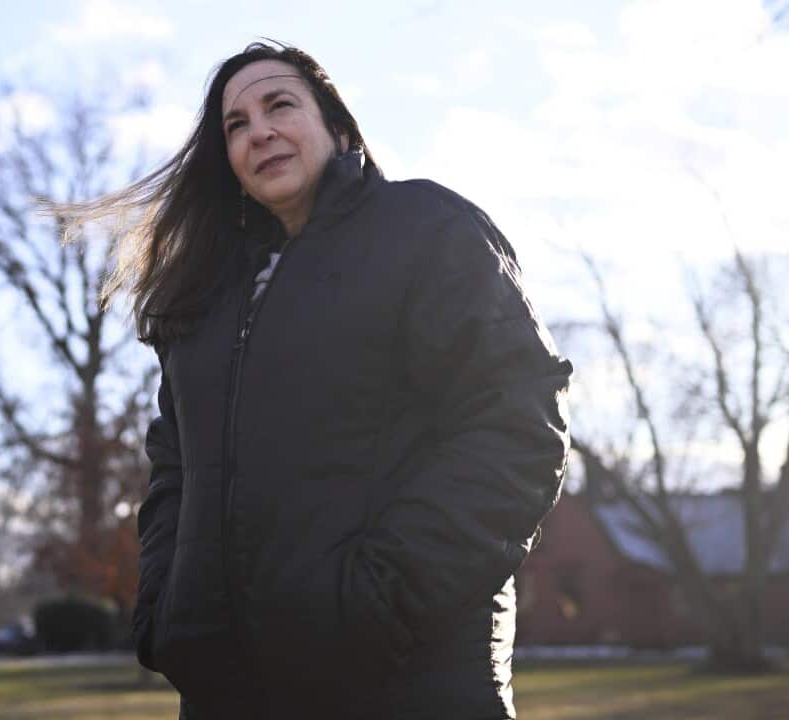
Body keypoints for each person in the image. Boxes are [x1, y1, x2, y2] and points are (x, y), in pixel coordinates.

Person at [63, 41, 573, 718]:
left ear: (336, 125)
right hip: (227, 690)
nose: (259, 130)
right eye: (235, 125)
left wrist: (379, 601)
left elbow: (518, 426)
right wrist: (164, 608)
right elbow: (173, 470)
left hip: (408, 681)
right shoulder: (205, 296)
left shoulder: (425, 230)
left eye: (279, 104)